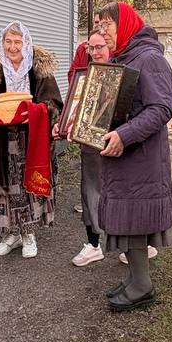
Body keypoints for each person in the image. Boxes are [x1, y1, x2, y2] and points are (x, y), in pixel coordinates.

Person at [96, 2, 172, 311]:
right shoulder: (126, 56)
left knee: (137, 220)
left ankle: (142, 285)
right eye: (100, 28)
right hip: (125, 157)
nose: (104, 33)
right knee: (128, 218)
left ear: (125, 25)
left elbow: (160, 110)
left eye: (107, 27)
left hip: (141, 157)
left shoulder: (150, 58)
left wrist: (124, 134)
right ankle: (134, 279)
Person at [0, 21, 63, 259]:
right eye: (8, 41)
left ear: (26, 43)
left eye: (17, 42)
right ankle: (11, 233)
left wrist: (39, 112)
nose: (12, 47)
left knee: (28, 186)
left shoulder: (39, 69)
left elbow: (53, 101)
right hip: (0, 138)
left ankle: (29, 233)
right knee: (4, 186)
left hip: (31, 138)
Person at [68, 28, 110, 267]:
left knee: (119, 195)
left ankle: (129, 244)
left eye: (99, 47)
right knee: (90, 191)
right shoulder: (85, 74)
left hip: (118, 143)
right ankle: (93, 244)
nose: (94, 52)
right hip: (90, 143)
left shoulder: (121, 69)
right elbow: (75, 105)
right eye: (90, 48)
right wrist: (67, 126)